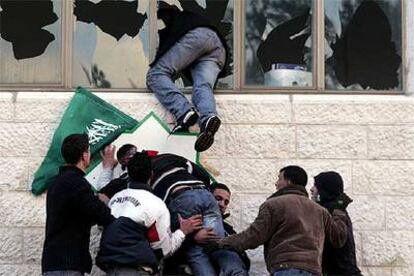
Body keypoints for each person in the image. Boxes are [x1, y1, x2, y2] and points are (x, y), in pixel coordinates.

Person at [218, 165, 350, 276]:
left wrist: (220, 243)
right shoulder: (320, 210)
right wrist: (339, 210)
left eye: (279, 178)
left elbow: (253, 237)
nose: (276, 183)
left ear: (288, 181)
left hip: (286, 268)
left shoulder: (273, 205)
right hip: (313, 271)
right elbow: (338, 237)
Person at [96, 151, 202, 275]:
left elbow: (102, 228)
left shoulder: (114, 200)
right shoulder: (156, 204)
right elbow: (164, 250)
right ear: (151, 175)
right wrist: (183, 231)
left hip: (110, 270)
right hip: (136, 270)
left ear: (128, 174)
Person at [146, 3, 229, 152]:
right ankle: (208, 118)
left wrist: (155, 63)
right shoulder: (188, 18)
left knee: (155, 74)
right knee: (202, 85)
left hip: (196, 37)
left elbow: (165, 53)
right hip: (216, 45)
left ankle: (184, 111)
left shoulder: (170, 22)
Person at [41, 133, 114, 276]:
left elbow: (79, 213)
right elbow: (102, 215)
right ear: (84, 155)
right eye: (88, 150)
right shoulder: (77, 183)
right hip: (68, 265)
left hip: (53, 263)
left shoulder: (57, 182)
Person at [163, 182, 250, 276]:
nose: (222, 204)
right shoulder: (184, 221)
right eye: (218, 198)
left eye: (226, 202)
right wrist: (193, 239)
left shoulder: (227, 229)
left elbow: (244, 259)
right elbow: (167, 252)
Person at [311, 171, 362, 276]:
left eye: (316, 186)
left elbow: (336, 241)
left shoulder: (330, 210)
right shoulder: (336, 209)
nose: (312, 189)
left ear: (324, 189)